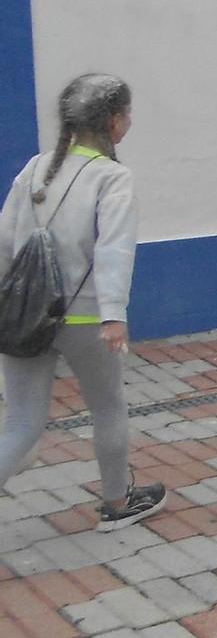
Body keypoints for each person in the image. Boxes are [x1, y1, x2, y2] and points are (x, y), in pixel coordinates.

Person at [0, 74, 166, 531]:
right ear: (114, 122)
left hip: (24, 317)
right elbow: (113, 250)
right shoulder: (112, 177)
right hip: (87, 318)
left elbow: (4, 242)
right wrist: (114, 314)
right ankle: (116, 504)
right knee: (108, 407)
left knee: (23, 424)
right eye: (128, 114)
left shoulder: (33, 169)